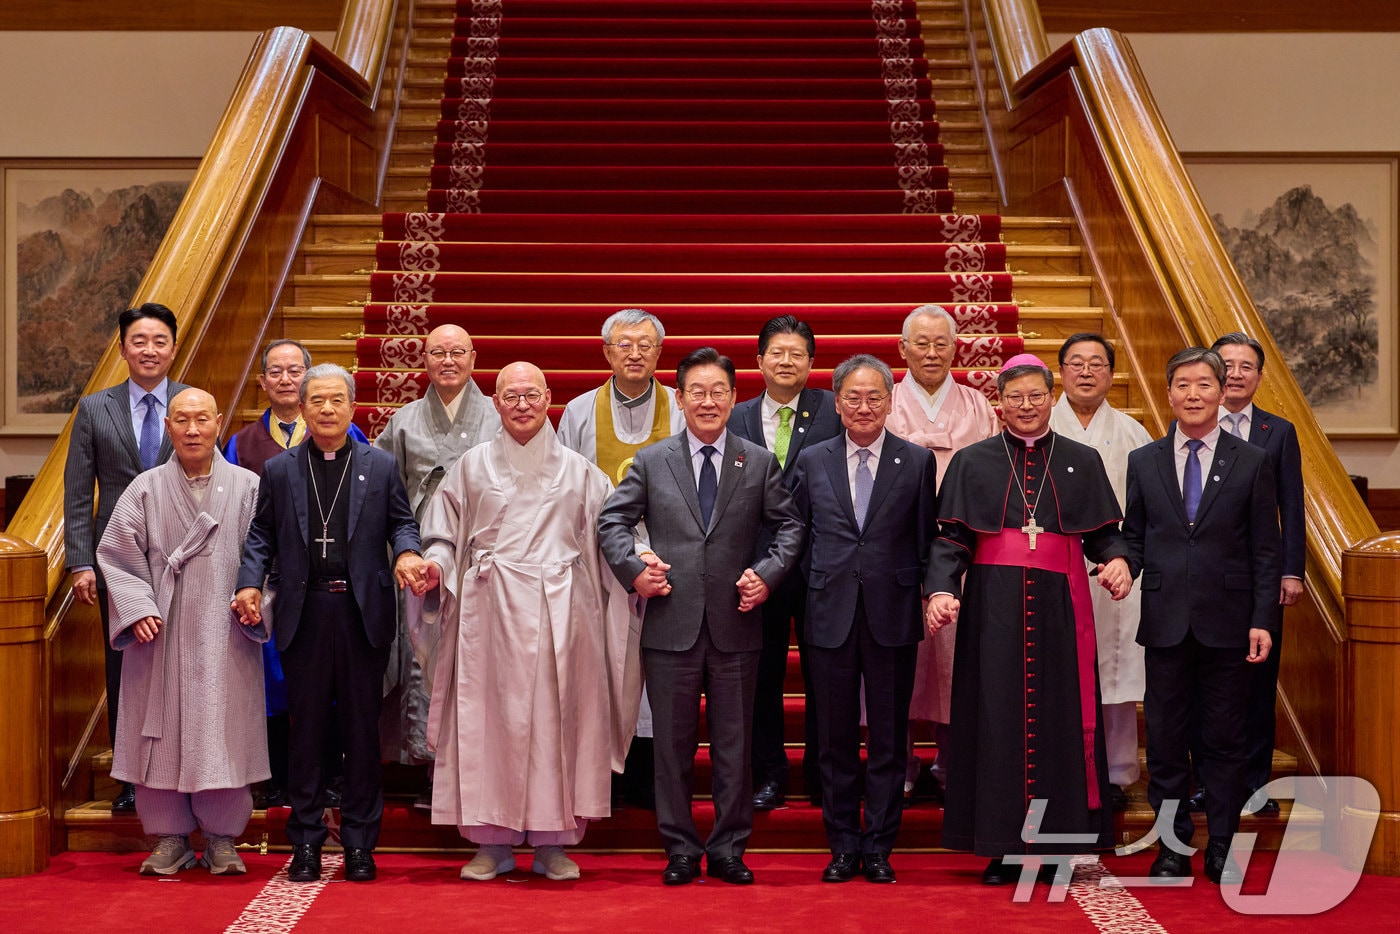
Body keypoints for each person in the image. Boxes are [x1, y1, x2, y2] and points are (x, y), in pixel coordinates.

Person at [411, 362, 640, 883]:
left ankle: (553, 841)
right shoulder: (471, 467)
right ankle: (491, 844)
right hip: (488, 611)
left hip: (564, 608)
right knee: (489, 723)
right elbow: (443, 536)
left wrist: (638, 561)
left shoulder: (581, 471)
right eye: (511, 395)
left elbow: (614, 536)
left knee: (558, 720)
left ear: (548, 397)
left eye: (530, 395)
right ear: (495, 401)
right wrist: (436, 566)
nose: (521, 404)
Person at [598, 347, 804, 887]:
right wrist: (633, 569)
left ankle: (730, 847)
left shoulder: (757, 461)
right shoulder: (651, 459)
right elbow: (612, 524)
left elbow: (790, 528)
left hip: (737, 624)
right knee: (671, 747)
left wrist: (767, 573)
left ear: (734, 397)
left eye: (719, 391)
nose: (708, 401)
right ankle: (681, 848)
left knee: (735, 747)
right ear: (681, 398)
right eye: (697, 392)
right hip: (670, 625)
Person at [925, 353, 1132, 885]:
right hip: (993, 612)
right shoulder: (973, 462)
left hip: (1063, 608)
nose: (1025, 406)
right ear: (1000, 403)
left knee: (1063, 717)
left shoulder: (1082, 461)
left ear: (1050, 397)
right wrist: (941, 591)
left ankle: (1061, 846)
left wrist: (1118, 561)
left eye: (1036, 396)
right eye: (1014, 397)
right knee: (996, 719)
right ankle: (1000, 846)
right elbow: (951, 539)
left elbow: (1106, 535)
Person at [233, 364, 425, 885]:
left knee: (362, 733)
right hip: (306, 613)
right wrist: (249, 582)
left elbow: (402, 523)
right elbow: (260, 535)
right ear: (301, 403)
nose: (326, 409)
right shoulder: (280, 470)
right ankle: (307, 843)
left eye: (336, 400)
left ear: (352, 406)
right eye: (316, 400)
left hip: (362, 613)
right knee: (307, 734)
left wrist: (407, 554)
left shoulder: (380, 465)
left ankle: (361, 844)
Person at [1123, 347, 1281, 885]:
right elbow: (1135, 537)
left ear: (1223, 392)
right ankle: (1171, 847)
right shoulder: (1143, 460)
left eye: (1204, 385)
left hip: (1231, 622)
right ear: (1168, 394)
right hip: (1166, 620)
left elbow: (1266, 548)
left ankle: (1221, 844)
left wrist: (1263, 617)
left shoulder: (1252, 460)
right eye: (1183, 385)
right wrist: (1122, 562)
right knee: (1166, 742)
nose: (1193, 395)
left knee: (1224, 739)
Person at [96, 388, 266, 876]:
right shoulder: (145, 487)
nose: (193, 430)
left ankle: (221, 838)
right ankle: (168, 837)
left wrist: (256, 598)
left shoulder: (248, 486)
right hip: (160, 632)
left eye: (203, 420)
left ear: (219, 424)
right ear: (168, 426)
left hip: (225, 631)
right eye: (183, 421)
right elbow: (115, 554)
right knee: (158, 734)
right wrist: (136, 608)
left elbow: (267, 556)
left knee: (225, 730)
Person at [790, 355, 937, 884]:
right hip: (827, 614)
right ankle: (843, 846)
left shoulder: (916, 462)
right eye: (852, 397)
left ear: (891, 401)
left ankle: (879, 845)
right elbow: (797, 535)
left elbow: (926, 541)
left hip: (891, 614)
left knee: (888, 739)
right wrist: (819, 582)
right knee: (832, 739)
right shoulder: (812, 460)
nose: (864, 407)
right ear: (836, 400)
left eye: (875, 396)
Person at [224, 338, 367, 810]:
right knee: (275, 683)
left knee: (325, 684)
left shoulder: (351, 437)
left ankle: (329, 776)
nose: (285, 379)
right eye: (276, 371)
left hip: (331, 586)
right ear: (263, 380)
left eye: (294, 370)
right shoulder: (241, 443)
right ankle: (274, 775)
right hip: (271, 584)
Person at [64, 302, 189, 814]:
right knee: (123, 668)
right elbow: (76, 492)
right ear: (122, 349)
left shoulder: (190, 401)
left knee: (178, 662)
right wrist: (79, 561)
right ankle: (131, 778)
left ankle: (180, 768)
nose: (149, 350)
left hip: (180, 556)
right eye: (139, 341)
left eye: (159, 340)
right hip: (116, 560)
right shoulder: (96, 408)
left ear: (173, 348)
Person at [558, 307, 683, 809]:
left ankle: (654, 779)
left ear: (659, 352)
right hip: (599, 559)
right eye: (624, 344)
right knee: (603, 668)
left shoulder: (679, 406)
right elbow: (564, 487)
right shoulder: (579, 410)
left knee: (659, 671)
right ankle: (602, 774)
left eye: (645, 345)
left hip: (669, 559)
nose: (635, 353)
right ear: (606, 351)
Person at [374, 324, 496, 807]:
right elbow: (383, 488)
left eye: (457, 352)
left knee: (478, 660)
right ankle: (430, 766)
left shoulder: (496, 415)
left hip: (483, 556)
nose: (448, 360)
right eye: (438, 353)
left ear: (473, 357)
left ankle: (477, 769)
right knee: (426, 656)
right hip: (421, 555)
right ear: (424, 360)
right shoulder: (404, 421)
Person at [727, 315, 842, 810]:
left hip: (822, 567)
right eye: (777, 353)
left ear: (812, 363)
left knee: (824, 676)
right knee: (764, 676)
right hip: (759, 570)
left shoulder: (836, 413)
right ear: (759, 361)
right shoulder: (735, 418)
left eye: (797, 354)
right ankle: (768, 774)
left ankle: (824, 774)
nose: (787, 361)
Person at [888, 303, 1000, 800]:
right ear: (903, 348)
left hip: (964, 550)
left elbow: (999, 475)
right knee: (901, 656)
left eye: (942, 344)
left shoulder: (978, 405)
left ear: (956, 348)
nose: (932, 353)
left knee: (959, 657)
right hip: (896, 546)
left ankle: (955, 763)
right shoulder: (883, 400)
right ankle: (901, 762)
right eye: (922, 343)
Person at [1048, 333, 1154, 811]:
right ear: (1061, 373)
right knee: (1056, 671)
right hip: (1053, 566)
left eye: (1096, 363)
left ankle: (1115, 773)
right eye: (1075, 363)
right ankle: (1060, 770)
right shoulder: (1039, 423)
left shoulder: (1134, 433)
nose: (1086, 371)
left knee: (1113, 672)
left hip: (1117, 569)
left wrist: (1127, 559)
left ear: (1111, 374)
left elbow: (1148, 508)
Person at [1203, 331, 1306, 816]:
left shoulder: (1277, 432)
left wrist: (1292, 571)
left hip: (1262, 578)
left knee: (1258, 685)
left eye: (1247, 366)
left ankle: (1254, 786)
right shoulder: (1193, 424)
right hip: (1208, 578)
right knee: (1207, 684)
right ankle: (1208, 783)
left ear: (1260, 377)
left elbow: (1292, 505)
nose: (1237, 373)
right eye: (1228, 365)